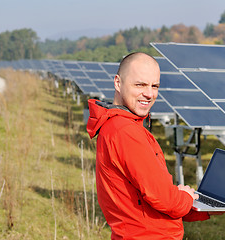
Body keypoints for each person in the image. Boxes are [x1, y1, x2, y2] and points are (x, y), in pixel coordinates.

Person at [87, 52, 210, 239]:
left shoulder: (119, 125)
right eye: (140, 85)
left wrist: (202, 207)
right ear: (118, 83)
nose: (149, 93)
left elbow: (146, 196)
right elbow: (164, 199)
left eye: (155, 86)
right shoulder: (125, 132)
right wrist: (185, 197)